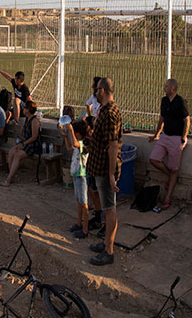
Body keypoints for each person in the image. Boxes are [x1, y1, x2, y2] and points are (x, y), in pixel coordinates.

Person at [87, 78, 123, 266]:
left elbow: (113, 145)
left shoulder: (109, 114)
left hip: (104, 169)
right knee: (107, 207)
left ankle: (109, 251)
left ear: (102, 90)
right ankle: (106, 242)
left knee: (109, 209)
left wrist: (110, 174)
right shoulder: (108, 110)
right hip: (100, 167)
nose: (94, 92)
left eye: (96, 90)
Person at [151, 78, 189, 213]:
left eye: (166, 86)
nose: (164, 88)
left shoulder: (181, 102)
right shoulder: (164, 101)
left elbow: (187, 121)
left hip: (176, 138)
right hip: (165, 136)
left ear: (172, 88)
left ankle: (167, 199)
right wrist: (156, 134)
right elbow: (161, 119)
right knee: (154, 159)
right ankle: (170, 177)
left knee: (174, 169)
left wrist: (183, 138)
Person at [60, 108, 91, 239]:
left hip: (82, 176)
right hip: (77, 175)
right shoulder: (78, 142)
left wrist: (70, 131)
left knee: (84, 203)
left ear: (78, 133)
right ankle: (79, 223)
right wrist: (66, 135)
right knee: (79, 201)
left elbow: (75, 144)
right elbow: (69, 147)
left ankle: (85, 229)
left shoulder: (85, 144)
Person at [2, 99, 44, 186]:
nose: (23, 109)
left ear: (28, 109)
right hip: (25, 143)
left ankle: (9, 179)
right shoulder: (26, 119)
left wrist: (23, 144)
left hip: (33, 145)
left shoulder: (34, 121)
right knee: (11, 152)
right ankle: (12, 175)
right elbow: (23, 133)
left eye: (24, 108)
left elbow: (34, 137)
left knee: (17, 155)